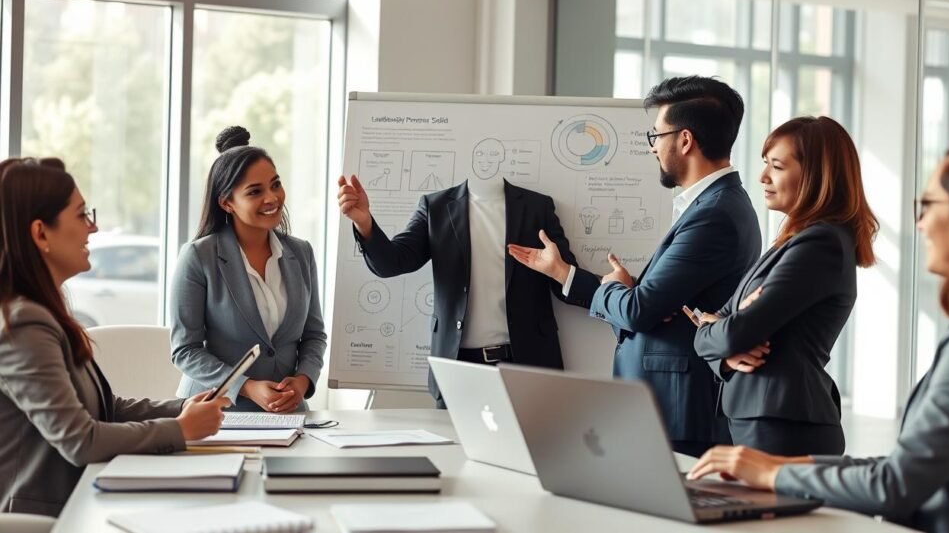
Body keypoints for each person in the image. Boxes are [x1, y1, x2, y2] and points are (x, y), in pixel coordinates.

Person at [688, 138, 949, 533]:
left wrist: (773, 474)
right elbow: (901, 467)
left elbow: (895, 485)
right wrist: (777, 466)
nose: (920, 222)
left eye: (929, 206)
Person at [507, 76, 761, 457]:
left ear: (685, 140)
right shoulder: (712, 206)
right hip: (667, 406)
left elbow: (639, 310)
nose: (653, 148)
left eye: (656, 136)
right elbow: (648, 304)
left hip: (679, 411)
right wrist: (564, 273)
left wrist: (623, 293)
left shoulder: (715, 215)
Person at [0, 157, 228, 516]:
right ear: (41, 233)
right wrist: (180, 430)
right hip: (47, 518)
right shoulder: (23, 325)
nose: (93, 227)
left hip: (86, 499)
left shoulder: (43, 313)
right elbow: (82, 441)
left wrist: (182, 409)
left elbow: (105, 408)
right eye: (80, 215)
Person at [337, 140, 579, 406]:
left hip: (527, 365)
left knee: (535, 447)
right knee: (455, 448)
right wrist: (364, 223)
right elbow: (392, 262)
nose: (485, 160)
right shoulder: (436, 207)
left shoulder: (536, 207)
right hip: (458, 367)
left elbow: (567, 283)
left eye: (492, 154)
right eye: (480, 153)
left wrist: (568, 273)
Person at [691, 116, 878, 456]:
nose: (763, 177)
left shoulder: (820, 244)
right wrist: (724, 353)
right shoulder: (793, 240)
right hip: (765, 418)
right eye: (766, 164)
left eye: (776, 166)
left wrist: (716, 328)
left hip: (784, 425)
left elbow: (735, 331)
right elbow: (727, 325)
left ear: (815, 176)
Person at [171, 126, 327, 413]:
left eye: (275, 184)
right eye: (255, 191)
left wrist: (303, 381)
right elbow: (185, 350)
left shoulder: (301, 253)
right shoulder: (198, 257)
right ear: (226, 202)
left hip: (287, 414)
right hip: (213, 411)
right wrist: (244, 385)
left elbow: (314, 335)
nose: (272, 198)